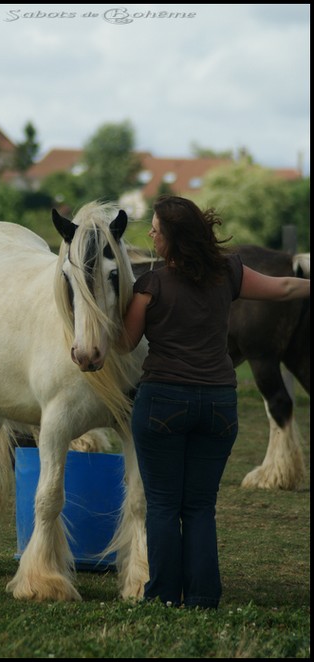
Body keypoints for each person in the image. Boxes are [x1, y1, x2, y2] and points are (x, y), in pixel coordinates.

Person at [119, 195, 310, 609]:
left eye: (155, 229)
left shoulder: (148, 285)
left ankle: (164, 597)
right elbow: (285, 287)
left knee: (164, 506)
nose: (150, 234)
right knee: (201, 507)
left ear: (172, 239)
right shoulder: (230, 273)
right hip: (219, 407)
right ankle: (203, 597)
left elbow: (124, 344)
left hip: (162, 404)